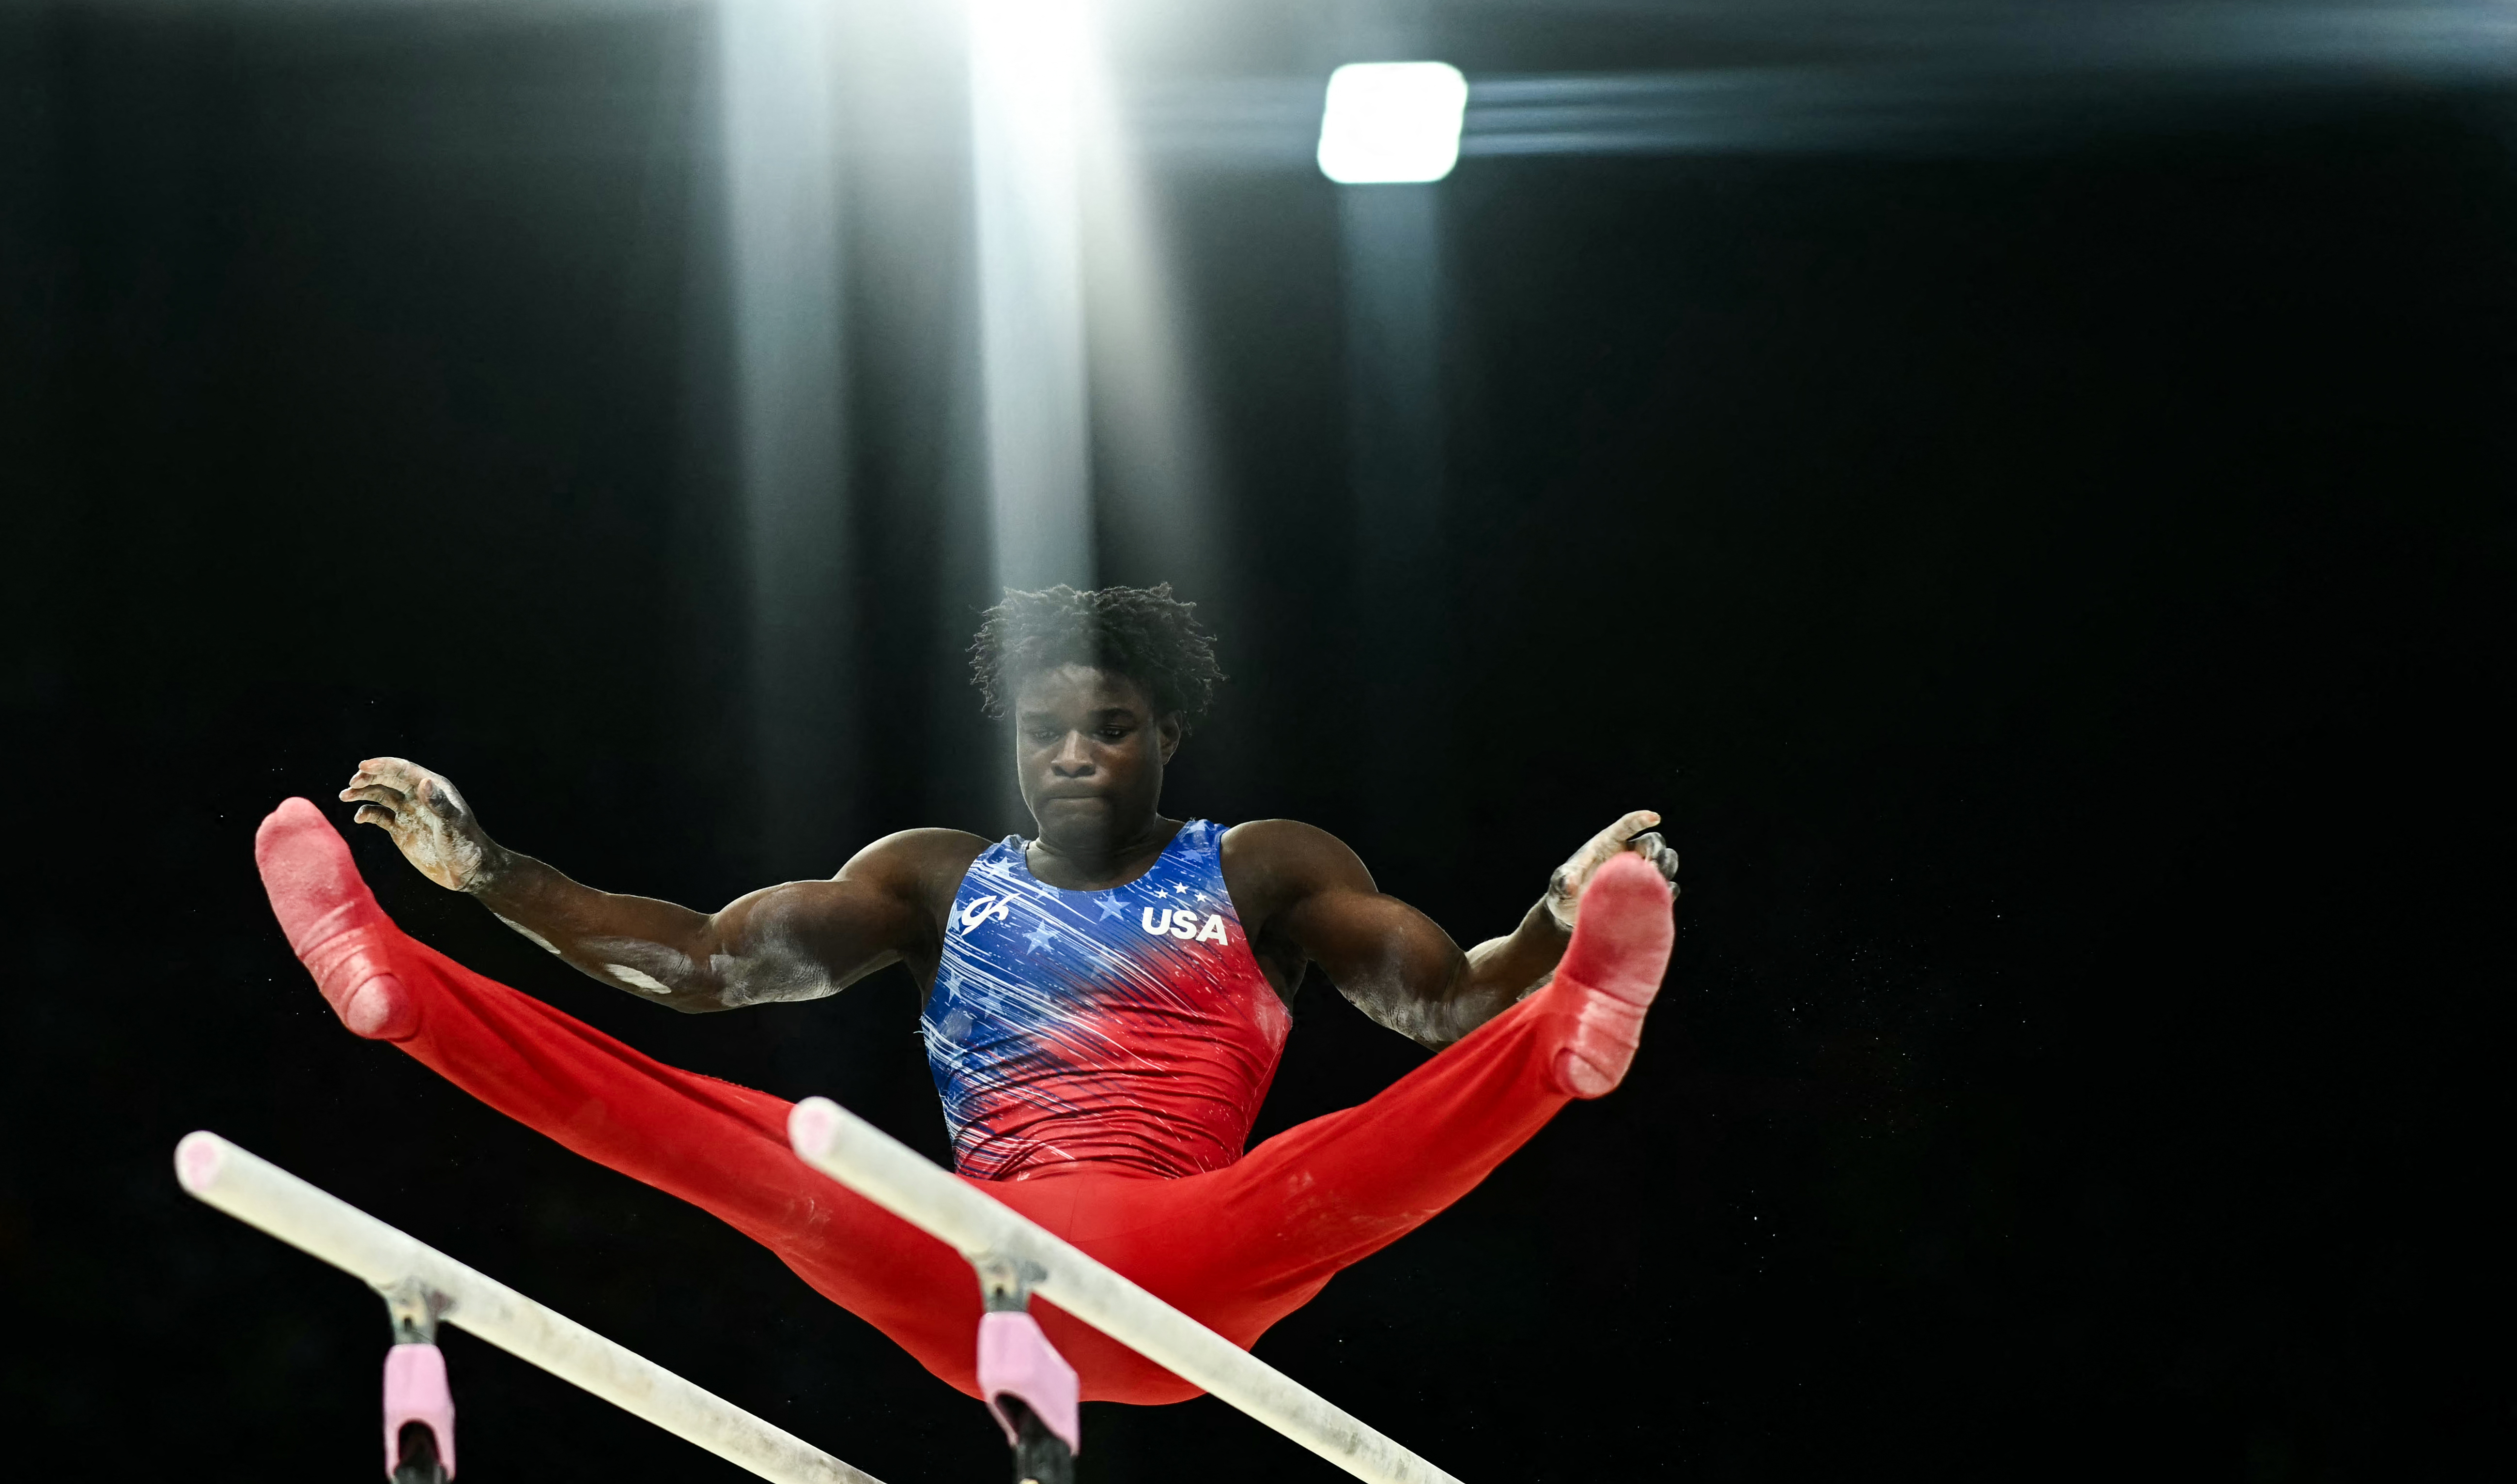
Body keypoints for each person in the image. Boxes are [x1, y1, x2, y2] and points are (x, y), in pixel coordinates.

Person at [255, 582, 1681, 1404]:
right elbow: (698, 966)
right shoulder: (926, 882)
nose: (1073, 754)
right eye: (1045, 729)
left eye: (1110, 728)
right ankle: (403, 984)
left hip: (1182, 1263)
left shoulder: (1268, 870)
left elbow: (1439, 1008)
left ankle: (1575, 1037)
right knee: (753, 1142)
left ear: (1166, 735)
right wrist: (490, 871)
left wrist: (1549, 927)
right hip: (966, 1271)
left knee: (1336, 1167)